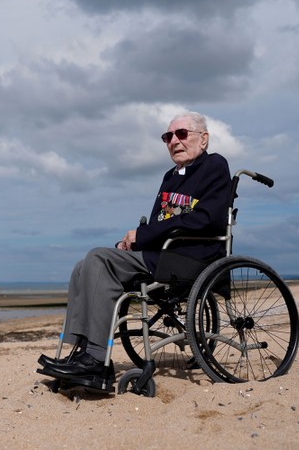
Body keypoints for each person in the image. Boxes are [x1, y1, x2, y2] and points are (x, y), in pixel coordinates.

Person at [37, 112, 232, 383]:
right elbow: (157, 224)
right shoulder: (171, 176)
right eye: (168, 137)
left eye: (182, 134)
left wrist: (142, 235)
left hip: (192, 257)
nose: (174, 141)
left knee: (97, 256)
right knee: (83, 268)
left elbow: (205, 218)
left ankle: (96, 361)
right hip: (162, 255)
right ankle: (79, 350)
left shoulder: (214, 165)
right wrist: (130, 243)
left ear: (204, 139)